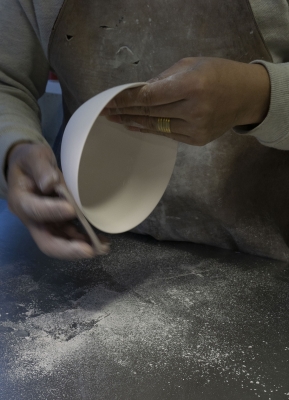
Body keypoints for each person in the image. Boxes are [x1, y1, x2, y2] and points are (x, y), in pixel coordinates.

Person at [1, 0, 289, 260]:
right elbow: (6, 82)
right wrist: (13, 148)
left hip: (262, 255)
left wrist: (259, 97)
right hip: (91, 235)